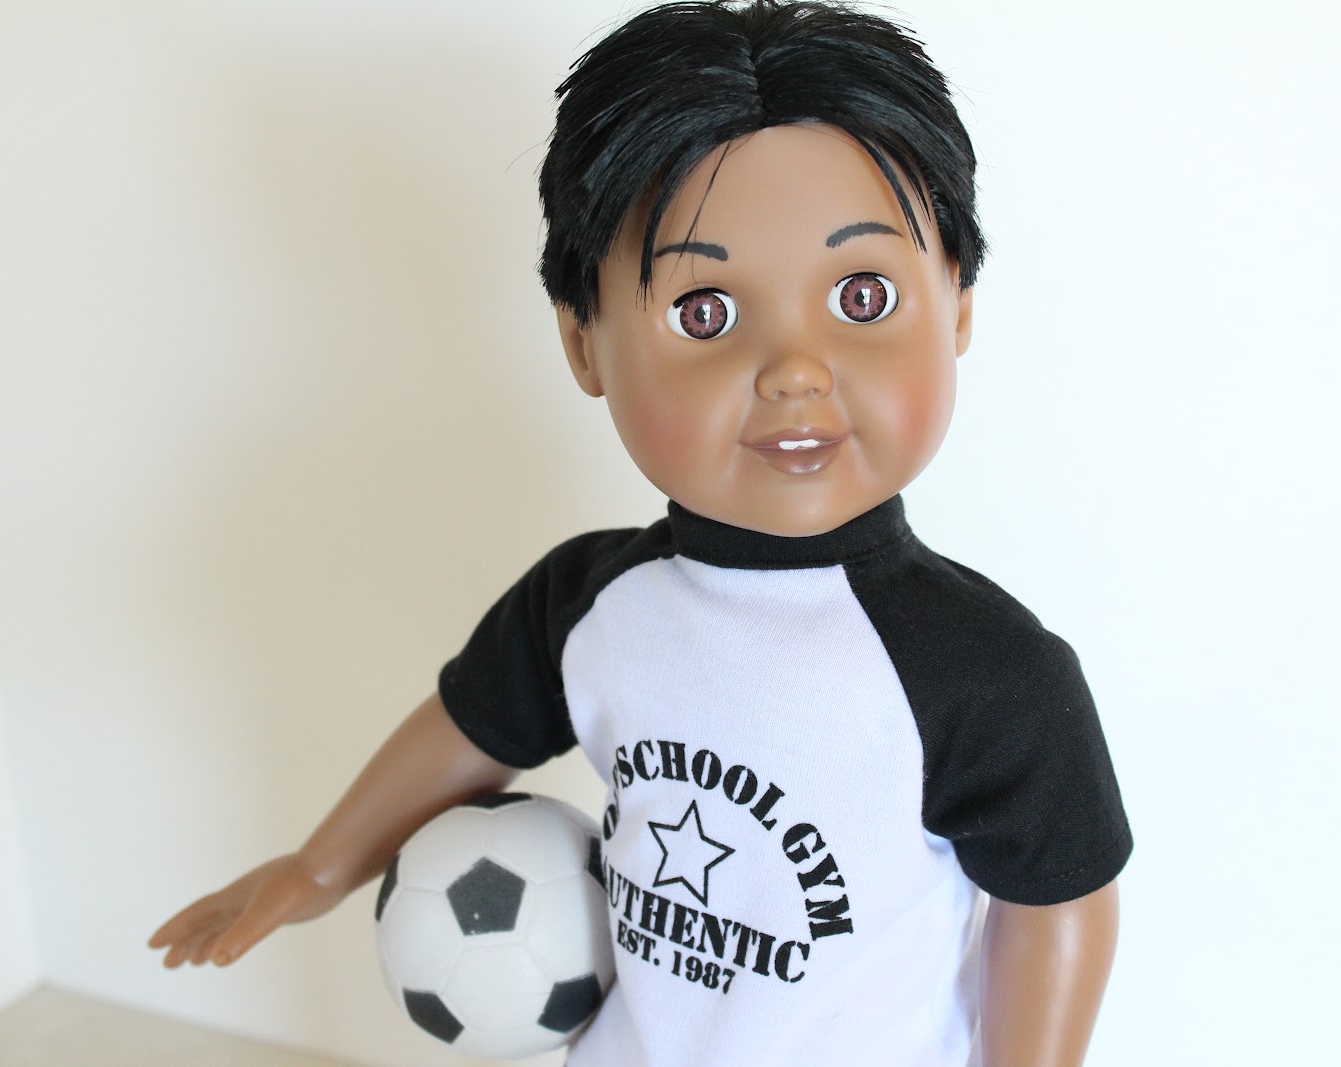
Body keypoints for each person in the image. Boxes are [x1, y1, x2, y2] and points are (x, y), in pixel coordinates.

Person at [151, 3, 1132, 1064]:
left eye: (862, 295)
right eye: (705, 312)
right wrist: (320, 864)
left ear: (957, 306)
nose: (795, 369)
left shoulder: (988, 674)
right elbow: (470, 727)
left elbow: (1056, 906)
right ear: (585, 345)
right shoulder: (591, 603)